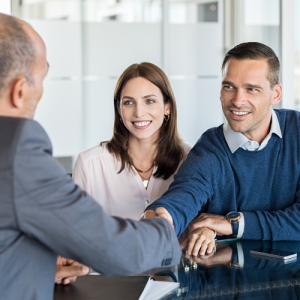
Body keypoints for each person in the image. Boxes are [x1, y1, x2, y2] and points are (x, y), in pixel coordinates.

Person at [0, 13, 181, 300]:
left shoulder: (191, 158)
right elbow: (114, 249)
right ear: (20, 91)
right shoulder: (14, 153)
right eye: (41, 79)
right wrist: (165, 226)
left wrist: (44, 265)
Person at [144, 42, 300, 252]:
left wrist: (232, 224)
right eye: (229, 87)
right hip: (232, 281)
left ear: (276, 94)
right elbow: (185, 194)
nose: (237, 100)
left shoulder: (296, 132)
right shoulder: (210, 149)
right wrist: (163, 217)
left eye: (251, 89)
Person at [73, 62, 191, 220]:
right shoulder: (90, 165)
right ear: (119, 110)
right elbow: (76, 234)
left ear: (167, 107)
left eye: (149, 101)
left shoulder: (190, 159)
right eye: (128, 102)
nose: (139, 112)